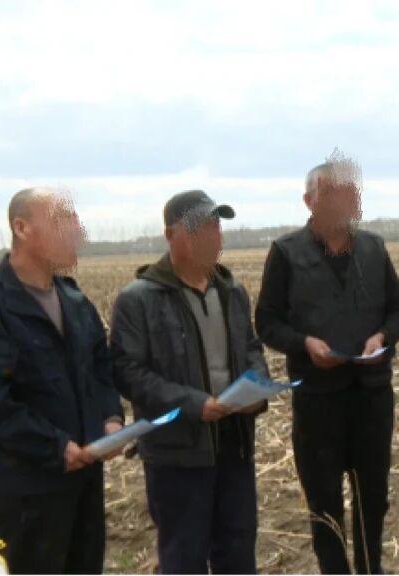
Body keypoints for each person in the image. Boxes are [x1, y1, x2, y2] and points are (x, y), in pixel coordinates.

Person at [255, 151, 399, 574]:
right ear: (310, 201)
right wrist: (304, 343)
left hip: (372, 397)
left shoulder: (373, 248)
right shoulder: (286, 253)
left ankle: (370, 569)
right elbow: (267, 322)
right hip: (318, 400)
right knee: (324, 502)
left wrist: (382, 337)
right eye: (332, 194)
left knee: (372, 498)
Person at [110, 190, 268, 573]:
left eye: (216, 226)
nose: (212, 236)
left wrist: (258, 387)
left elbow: (250, 348)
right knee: (184, 558)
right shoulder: (139, 299)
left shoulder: (231, 292)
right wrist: (194, 404)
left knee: (238, 554)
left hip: (235, 446)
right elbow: (129, 372)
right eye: (199, 228)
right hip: (177, 454)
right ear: (170, 235)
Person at [0, 188, 124, 573]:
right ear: (21, 228)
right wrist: (55, 447)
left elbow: (100, 369)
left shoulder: (75, 301)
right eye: (63, 220)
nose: (77, 231)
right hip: (27, 493)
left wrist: (111, 418)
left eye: (75, 220)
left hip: (85, 482)